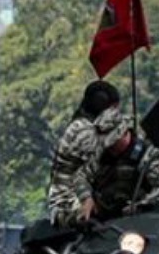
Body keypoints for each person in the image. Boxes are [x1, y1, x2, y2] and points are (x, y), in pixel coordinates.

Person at [48, 81, 123, 226]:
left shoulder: (83, 126)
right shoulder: (86, 132)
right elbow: (97, 168)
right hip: (70, 201)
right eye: (114, 109)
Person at [70, 115, 159, 225]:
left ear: (124, 133)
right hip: (101, 218)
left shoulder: (147, 156)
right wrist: (86, 198)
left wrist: (139, 206)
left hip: (136, 221)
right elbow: (80, 175)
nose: (109, 147)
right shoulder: (102, 154)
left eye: (113, 142)